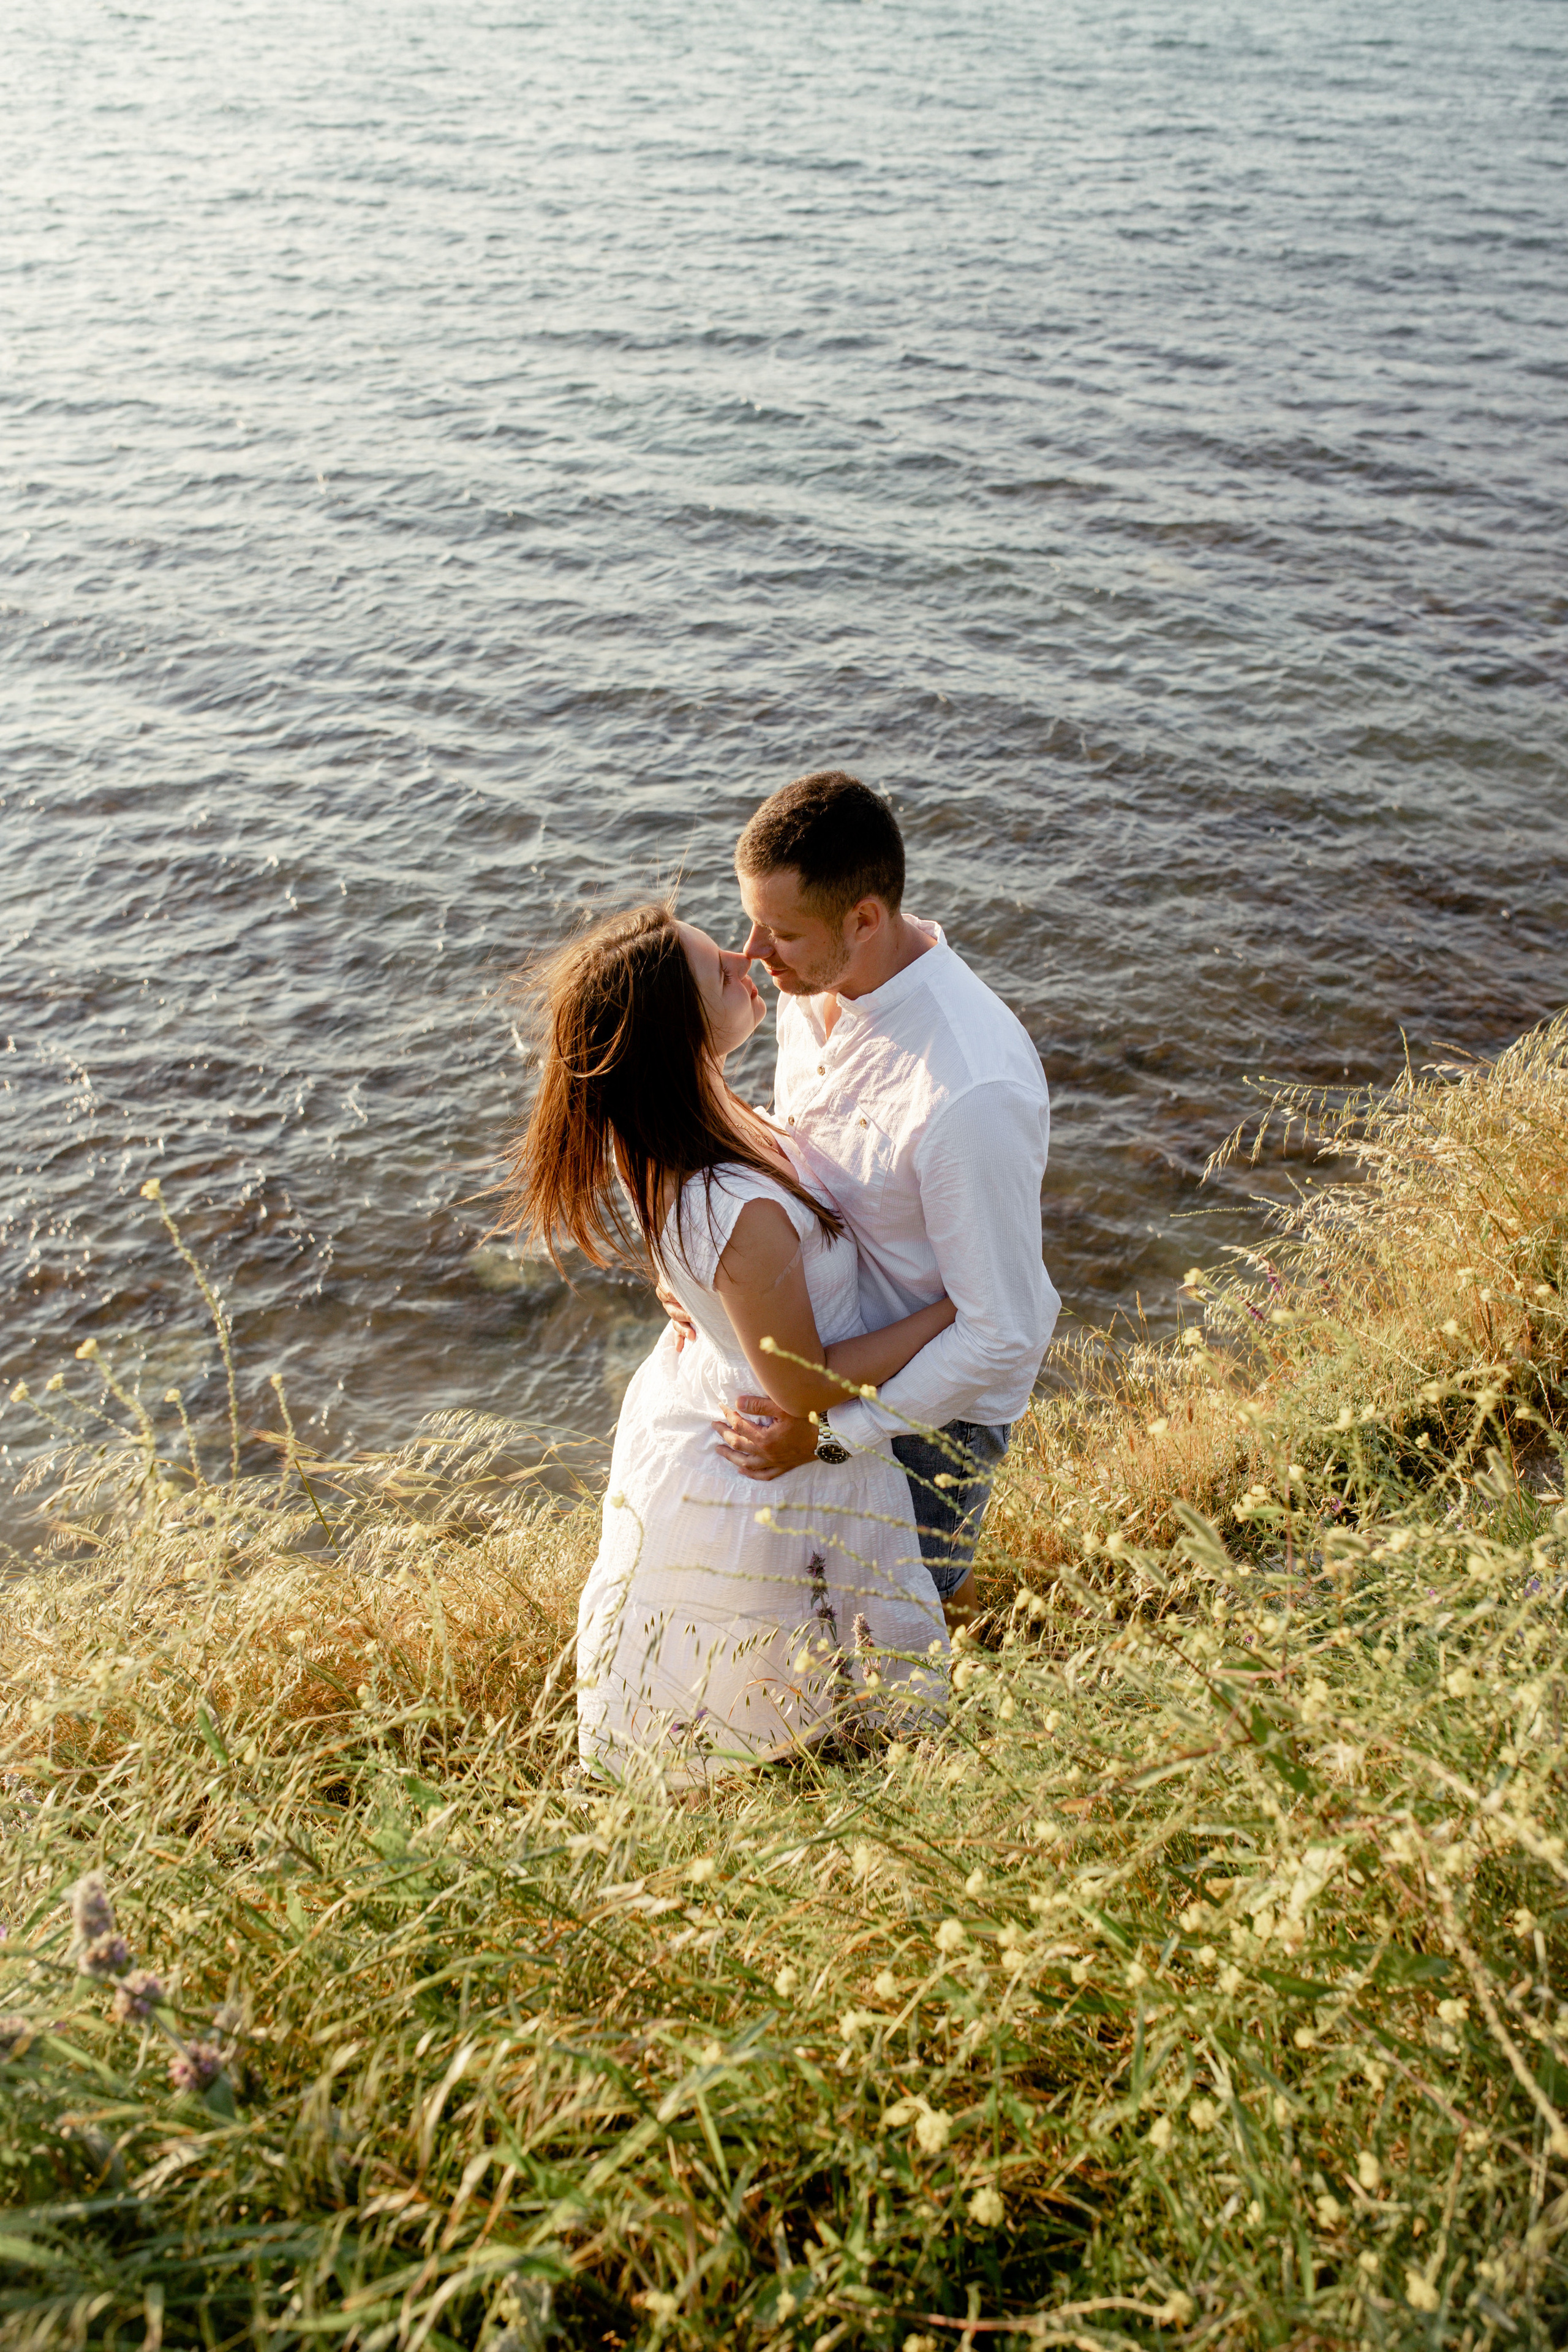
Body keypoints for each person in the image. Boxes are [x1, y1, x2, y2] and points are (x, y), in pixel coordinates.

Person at [504, 902, 950, 1782]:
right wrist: (951, 1313)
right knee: (798, 1673)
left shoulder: (678, 1125)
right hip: (780, 1448)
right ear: (680, 1036)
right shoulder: (728, 1201)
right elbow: (807, 1388)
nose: (746, 954)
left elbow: (709, 1272)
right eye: (718, 966)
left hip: (713, 1389)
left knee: (794, 1659)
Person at [710, 770, 1059, 1623]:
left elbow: (1000, 1335)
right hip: (841, 1363)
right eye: (754, 920)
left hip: (931, 1410)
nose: (753, 950)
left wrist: (830, 1439)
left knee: (921, 1605)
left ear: (864, 919)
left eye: (781, 931)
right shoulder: (811, 988)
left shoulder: (967, 1092)